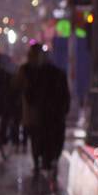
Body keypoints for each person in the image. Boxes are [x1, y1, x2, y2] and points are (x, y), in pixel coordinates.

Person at [18, 44, 72, 175]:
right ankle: (51, 160)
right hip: (55, 115)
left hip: (41, 115)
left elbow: (29, 94)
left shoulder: (33, 73)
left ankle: (39, 162)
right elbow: (65, 95)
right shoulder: (59, 74)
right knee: (55, 139)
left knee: (38, 139)